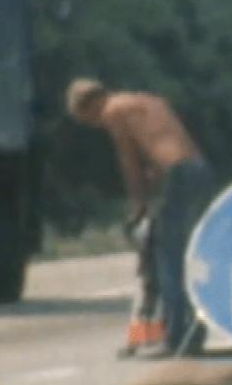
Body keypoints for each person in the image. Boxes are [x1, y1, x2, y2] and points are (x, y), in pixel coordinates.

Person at [66, 78, 214, 357]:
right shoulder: (149, 101)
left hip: (178, 176)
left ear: (91, 104)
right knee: (191, 256)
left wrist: (138, 205)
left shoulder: (112, 111)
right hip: (198, 170)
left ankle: (177, 337)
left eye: (88, 121)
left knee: (168, 259)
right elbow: (166, 147)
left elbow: (129, 161)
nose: (95, 126)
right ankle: (194, 332)